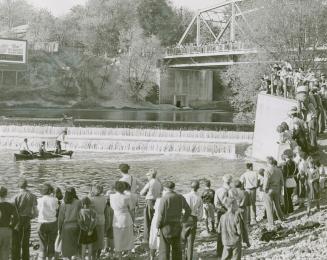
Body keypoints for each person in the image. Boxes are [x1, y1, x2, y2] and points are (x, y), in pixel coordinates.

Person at [156, 181, 191, 260]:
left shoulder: (164, 199)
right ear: (174, 188)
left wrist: (157, 226)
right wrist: (183, 219)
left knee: (164, 250)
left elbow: (160, 215)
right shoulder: (180, 197)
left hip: (166, 226)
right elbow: (188, 210)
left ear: (164, 188)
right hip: (177, 226)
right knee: (177, 250)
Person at [12, 178, 38, 260]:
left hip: (17, 221)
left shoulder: (15, 197)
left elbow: (13, 213)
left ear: (18, 186)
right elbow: (36, 212)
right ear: (26, 186)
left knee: (16, 244)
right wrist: (31, 217)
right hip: (27, 220)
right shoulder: (32, 196)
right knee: (26, 243)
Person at [110, 181, 135, 260]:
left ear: (115, 188)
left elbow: (111, 207)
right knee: (129, 236)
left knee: (118, 237)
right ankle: (129, 253)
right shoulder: (127, 197)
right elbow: (131, 208)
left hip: (117, 217)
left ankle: (119, 255)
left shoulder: (111, 196)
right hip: (126, 217)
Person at [58, 187, 82, 260]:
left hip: (66, 227)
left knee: (66, 247)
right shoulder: (78, 202)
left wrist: (59, 228)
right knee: (75, 245)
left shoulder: (63, 204)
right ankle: (74, 257)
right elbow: (81, 215)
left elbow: (60, 218)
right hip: (76, 226)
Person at [37, 183, 59, 260]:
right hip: (53, 223)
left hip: (42, 223)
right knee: (51, 244)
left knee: (42, 245)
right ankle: (50, 257)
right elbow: (56, 209)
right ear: (50, 191)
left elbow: (38, 210)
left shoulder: (39, 200)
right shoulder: (55, 199)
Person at [140, 168, 162, 243]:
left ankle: (146, 239)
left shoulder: (150, 183)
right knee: (155, 218)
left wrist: (147, 193)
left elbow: (142, 193)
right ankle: (155, 236)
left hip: (150, 201)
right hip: (157, 201)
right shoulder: (159, 182)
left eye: (148, 175)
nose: (147, 177)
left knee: (147, 220)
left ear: (150, 175)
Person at [183, 181, 203, 260]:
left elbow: (181, 208)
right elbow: (201, 213)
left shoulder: (185, 196)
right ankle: (189, 258)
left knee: (182, 239)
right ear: (198, 188)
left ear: (190, 186)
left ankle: (182, 257)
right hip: (193, 218)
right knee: (190, 242)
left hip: (185, 218)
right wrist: (198, 219)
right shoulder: (199, 198)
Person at [262, 157, 284, 227]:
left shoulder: (267, 170)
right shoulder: (279, 170)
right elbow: (282, 181)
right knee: (277, 204)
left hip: (269, 189)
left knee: (269, 206)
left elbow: (266, 181)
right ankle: (281, 218)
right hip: (277, 188)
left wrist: (264, 189)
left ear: (268, 163)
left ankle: (271, 222)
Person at [214, 174, 232, 257]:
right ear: (230, 181)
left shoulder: (218, 190)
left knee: (220, 231)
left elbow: (216, 204)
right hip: (231, 212)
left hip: (221, 213)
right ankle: (229, 251)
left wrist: (223, 209)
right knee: (230, 231)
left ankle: (219, 252)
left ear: (223, 180)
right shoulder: (233, 190)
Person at [89, 184, 108, 259]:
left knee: (93, 238)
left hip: (94, 220)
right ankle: (98, 255)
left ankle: (93, 256)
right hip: (102, 218)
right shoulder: (104, 198)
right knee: (100, 237)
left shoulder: (91, 199)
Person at [0, 186, 19, 260]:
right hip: (7, 230)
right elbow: (17, 218)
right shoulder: (10, 205)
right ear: (6, 194)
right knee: (5, 252)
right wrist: (11, 226)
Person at [149, 193, 163, 260]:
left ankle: (152, 257)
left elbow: (153, 208)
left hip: (155, 219)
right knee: (160, 239)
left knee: (153, 237)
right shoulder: (165, 200)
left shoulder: (157, 200)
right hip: (162, 220)